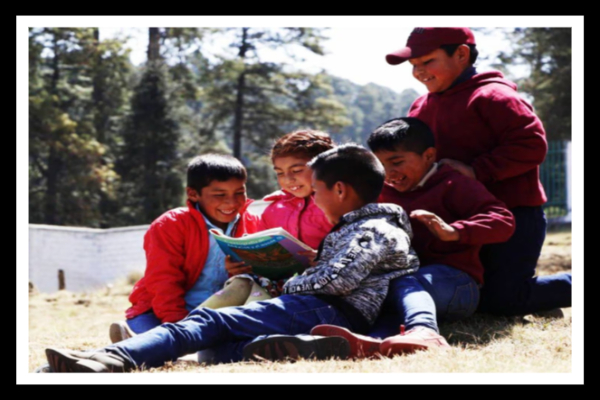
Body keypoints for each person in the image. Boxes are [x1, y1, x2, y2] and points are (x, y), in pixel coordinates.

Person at [43, 144, 420, 372]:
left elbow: (336, 282)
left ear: (339, 189)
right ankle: (297, 346)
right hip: (318, 309)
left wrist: (290, 279)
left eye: (317, 189)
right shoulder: (360, 227)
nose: (314, 198)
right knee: (221, 342)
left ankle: (104, 360)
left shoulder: (372, 229)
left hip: (322, 308)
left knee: (208, 321)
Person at [273, 117, 516, 357]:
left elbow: (503, 220)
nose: (389, 173)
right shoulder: (379, 192)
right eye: (381, 165)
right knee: (377, 291)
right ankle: (374, 343)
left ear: (429, 155)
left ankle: (425, 331)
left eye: (397, 162)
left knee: (402, 282)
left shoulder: (454, 184)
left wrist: (454, 231)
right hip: (397, 281)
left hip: (456, 284)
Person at [384, 27, 571, 316]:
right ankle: (531, 295)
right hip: (456, 221)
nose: (419, 72)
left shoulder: (494, 96)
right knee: (472, 295)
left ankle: (534, 294)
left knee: (502, 301)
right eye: (414, 66)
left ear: (461, 54)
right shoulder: (420, 106)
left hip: (512, 215)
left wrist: (477, 170)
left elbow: (531, 145)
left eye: (427, 62)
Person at [108, 154, 260, 343]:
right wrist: (179, 325)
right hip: (162, 312)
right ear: (193, 194)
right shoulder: (171, 225)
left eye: (239, 193)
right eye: (220, 195)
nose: (232, 202)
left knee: (232, 340)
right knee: (158, 338)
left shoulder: (254, 224)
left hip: (222, 312)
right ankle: (146, 341)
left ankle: (162, 344)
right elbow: (163, 280)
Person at [199, 130, 335, 309]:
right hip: (272, 282)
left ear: (325, 167)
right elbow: (260, 253)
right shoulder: (273, 209)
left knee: (256, 305)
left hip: (316, 286)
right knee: (240, 284)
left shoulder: (337, 203)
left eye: (297, 170)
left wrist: (322, 257)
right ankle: (188, 327)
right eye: (279, 173)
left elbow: (354, 250)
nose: (288, 179)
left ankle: (243, 328)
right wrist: (240, 265)